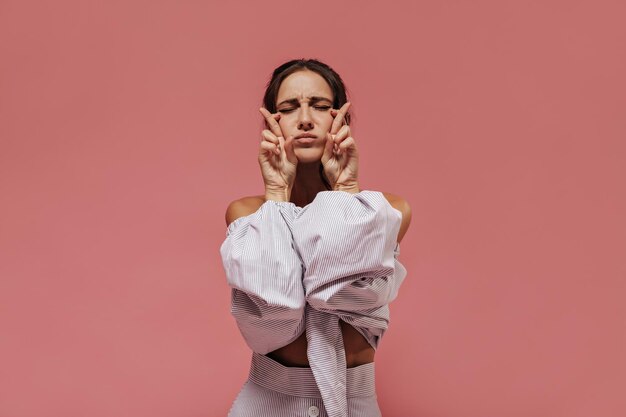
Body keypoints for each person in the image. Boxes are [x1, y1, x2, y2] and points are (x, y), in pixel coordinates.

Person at [219, 58, 411, 417]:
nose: (305, 119)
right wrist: (276, 192)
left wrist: (345, 189)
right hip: (267, 403)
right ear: (270, 125)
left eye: (320, 106)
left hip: (355, 404)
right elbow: (276, 317)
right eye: (288, 108)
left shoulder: (387, 212)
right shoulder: (248, 215)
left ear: (343, 120)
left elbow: (335, 292)